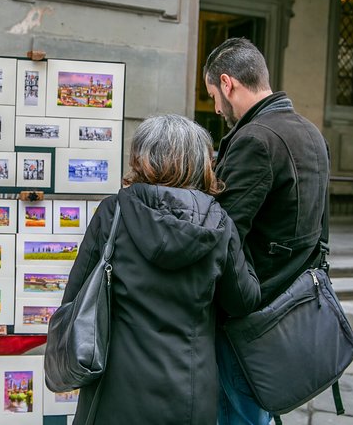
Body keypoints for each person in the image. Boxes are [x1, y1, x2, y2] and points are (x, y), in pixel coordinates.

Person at [57, 114, 261, 424]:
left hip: (115, 388)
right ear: (201, 163)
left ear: (141, 158)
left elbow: (74, 299)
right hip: (190, 392)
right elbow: (243, 300)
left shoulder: (113, 213)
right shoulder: (220, 224)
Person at [203, 37, 330, 424]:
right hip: (290, 305)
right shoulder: (311, 132)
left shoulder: (255, 139)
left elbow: (222, 234)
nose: (214, 107)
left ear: (228, 83)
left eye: (212, 95)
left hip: (252, 315)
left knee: (238, 413)